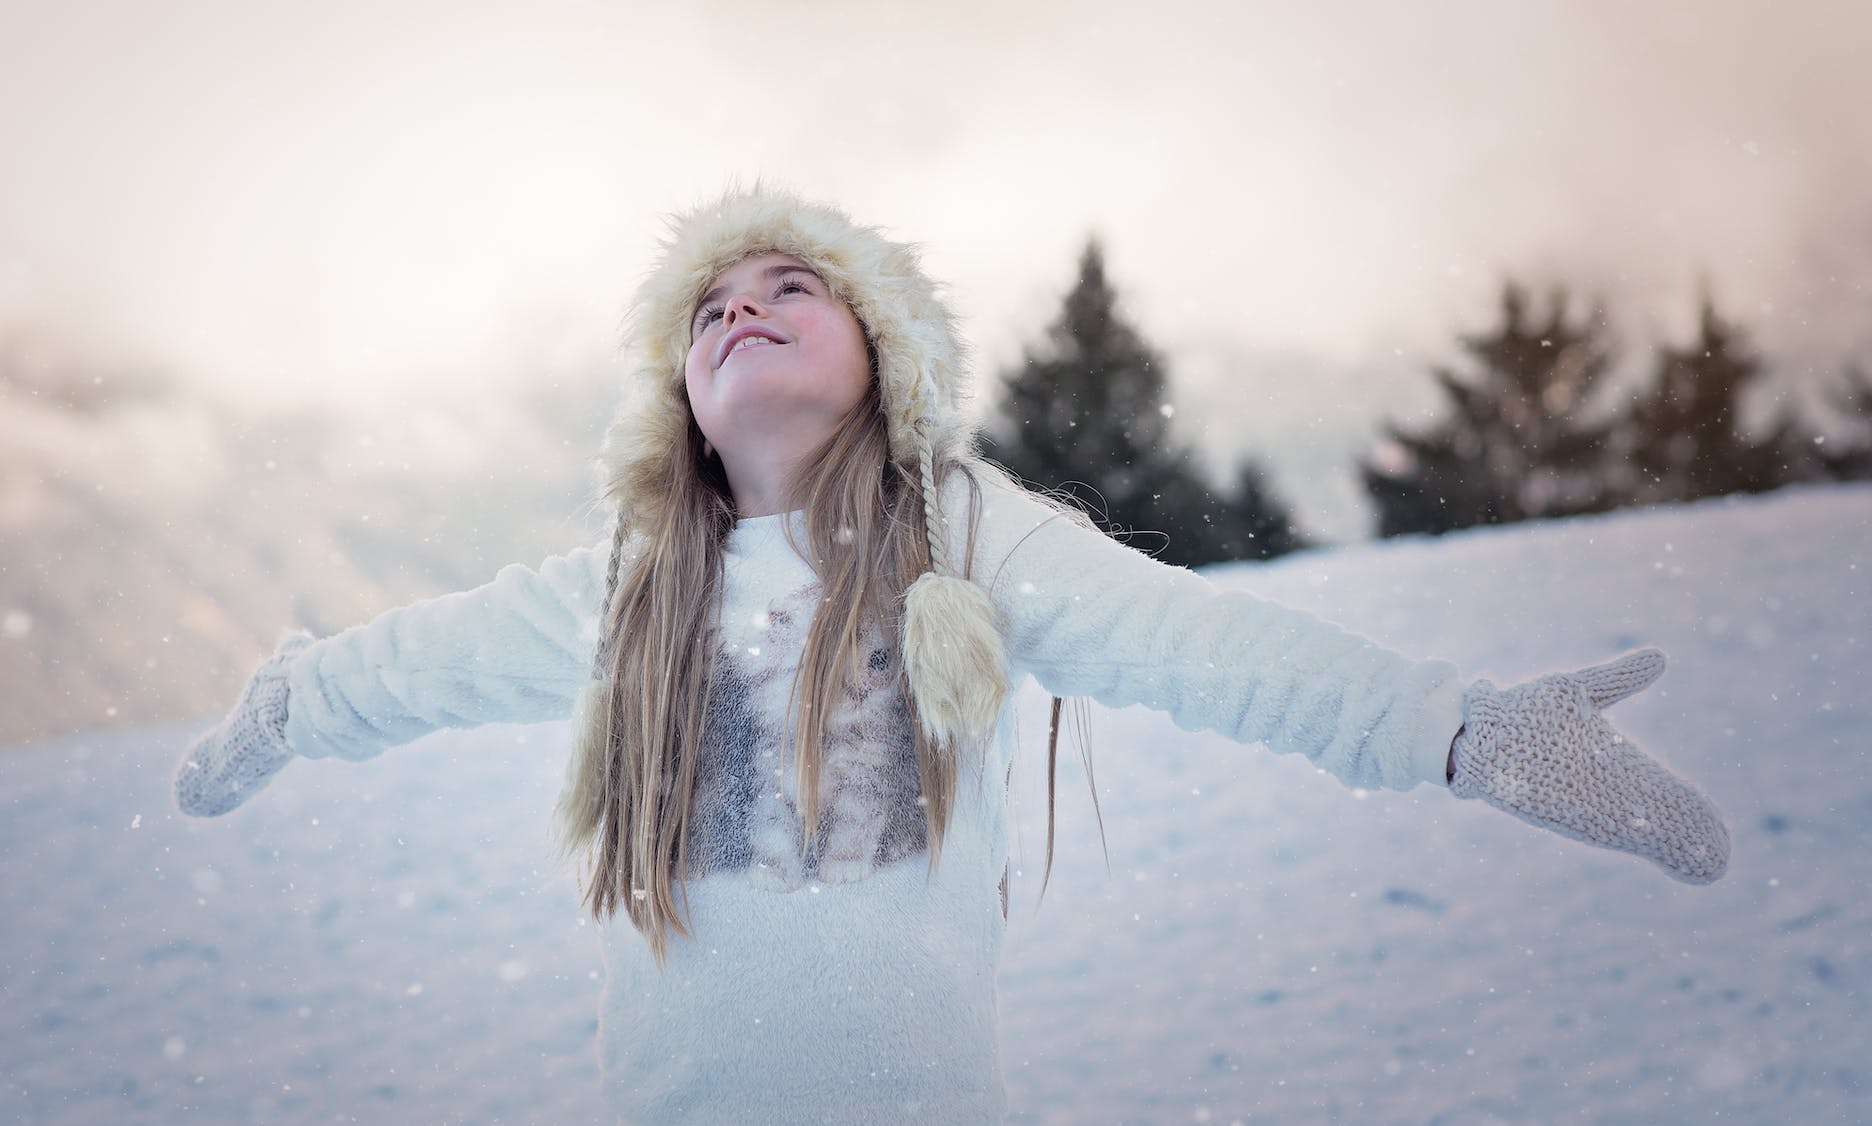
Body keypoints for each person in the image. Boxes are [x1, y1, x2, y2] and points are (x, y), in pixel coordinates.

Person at [174, 187, 1730, 1123]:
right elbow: (423, 661)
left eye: (793, 288)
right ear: (678, 395)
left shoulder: (966, 536)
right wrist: (294, 699)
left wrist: (1457, 726)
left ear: (884, 359)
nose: (746, 310)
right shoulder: (634, 590)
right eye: (711, 305)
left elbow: (1197, 644)